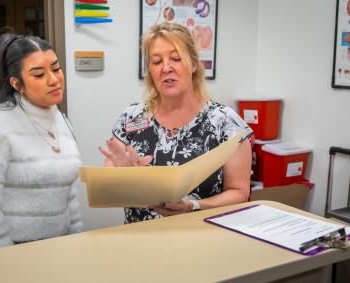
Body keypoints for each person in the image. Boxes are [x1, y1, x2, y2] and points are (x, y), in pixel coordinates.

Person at [99, 22, 253, 223]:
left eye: (176, 58)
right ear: (150, 72)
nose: (166, 68)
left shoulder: (226, 122)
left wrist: (193, 206)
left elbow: (239, 192)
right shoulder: (132, 117)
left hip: (202, 240)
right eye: (156, 61)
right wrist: (125, 175)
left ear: (194, 64)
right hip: (140, 241)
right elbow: (106, 184)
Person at [0, 34, 83, 251]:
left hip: (62, 246)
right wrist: (1, 260)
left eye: (56, 69)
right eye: (39, 74)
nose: (54, 79)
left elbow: (68, 190)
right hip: (17, 250)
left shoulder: (61, 121)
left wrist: (76, 238)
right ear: (17, 83)